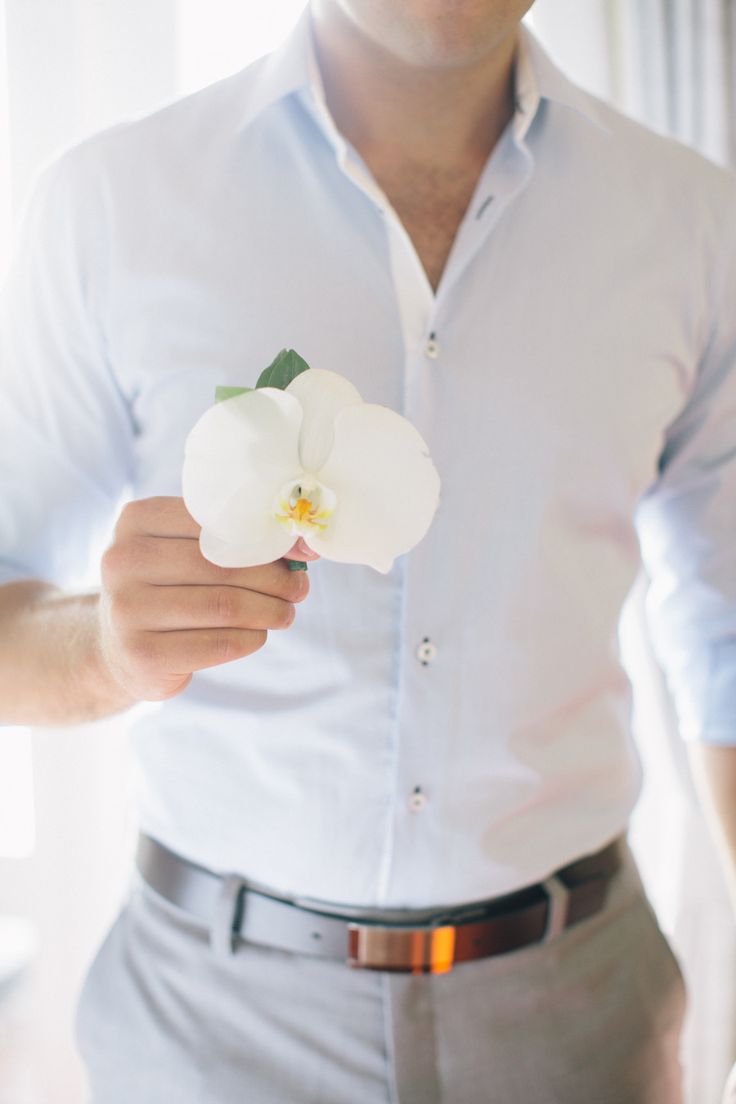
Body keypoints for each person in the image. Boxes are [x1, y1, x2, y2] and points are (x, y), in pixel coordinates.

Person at [1, 1, 735, 1100]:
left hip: (578, 1013)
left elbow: (727, 632)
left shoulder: (691, 223)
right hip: (210, 1027)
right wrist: (106, 650)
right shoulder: (110, 203)